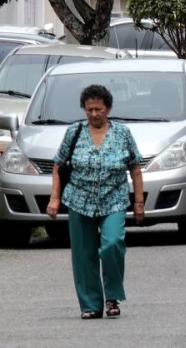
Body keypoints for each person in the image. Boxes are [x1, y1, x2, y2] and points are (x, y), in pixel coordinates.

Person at [46, 84, 144, 319]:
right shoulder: (74, 132)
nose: (93, 114)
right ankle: (90, 304)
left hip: (114, 199)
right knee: (83, 254)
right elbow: (59, 166)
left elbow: (135, 168)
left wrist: (139, 202)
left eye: (98, 109)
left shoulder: (122, 133)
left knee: (112, 244)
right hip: (79, 199)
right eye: (89, 109)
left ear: (107, 109)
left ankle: (112, 297)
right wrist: (54, 199)